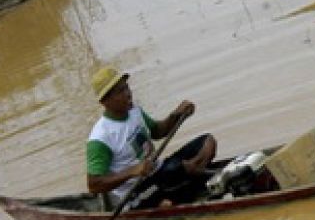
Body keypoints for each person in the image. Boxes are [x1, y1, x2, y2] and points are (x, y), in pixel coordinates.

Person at [86, 66, 217, 209]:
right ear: (105, 101)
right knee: (179, 178)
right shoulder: (101, 138)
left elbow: (157, 131)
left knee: (208, 142)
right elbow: (94, 185)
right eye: (120, 91)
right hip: (136, 190)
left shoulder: (134, 110)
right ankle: (187, 183)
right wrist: (132, 171)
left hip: (161, 171)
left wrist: (177, 114)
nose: (128, 94)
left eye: (127, 88)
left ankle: (188, 179)